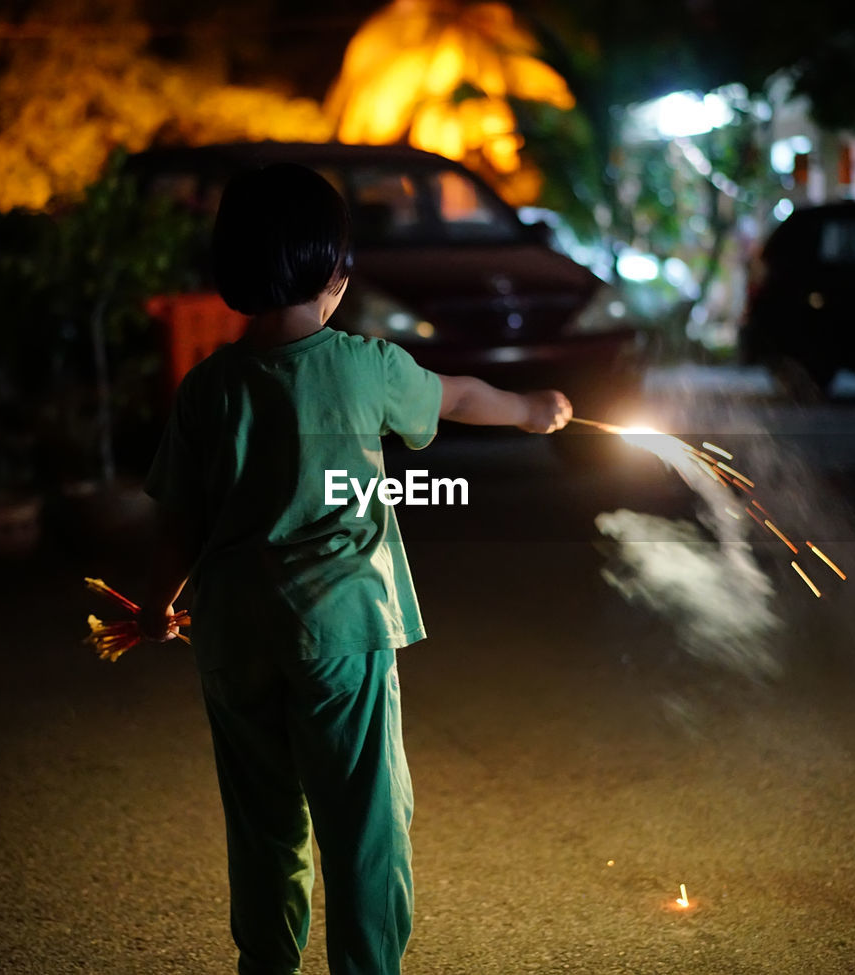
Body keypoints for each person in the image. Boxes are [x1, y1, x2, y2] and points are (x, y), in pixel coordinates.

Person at [135, 162, 571, 975]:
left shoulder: (207, 389)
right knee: (365, 821)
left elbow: (178, 524)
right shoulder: (367, 366)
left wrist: (156, 606)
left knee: (262, 819)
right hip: (340, 632)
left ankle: (266, 961)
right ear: (336, 272)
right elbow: (460, 396)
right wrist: (531, 409)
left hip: (233, 639)